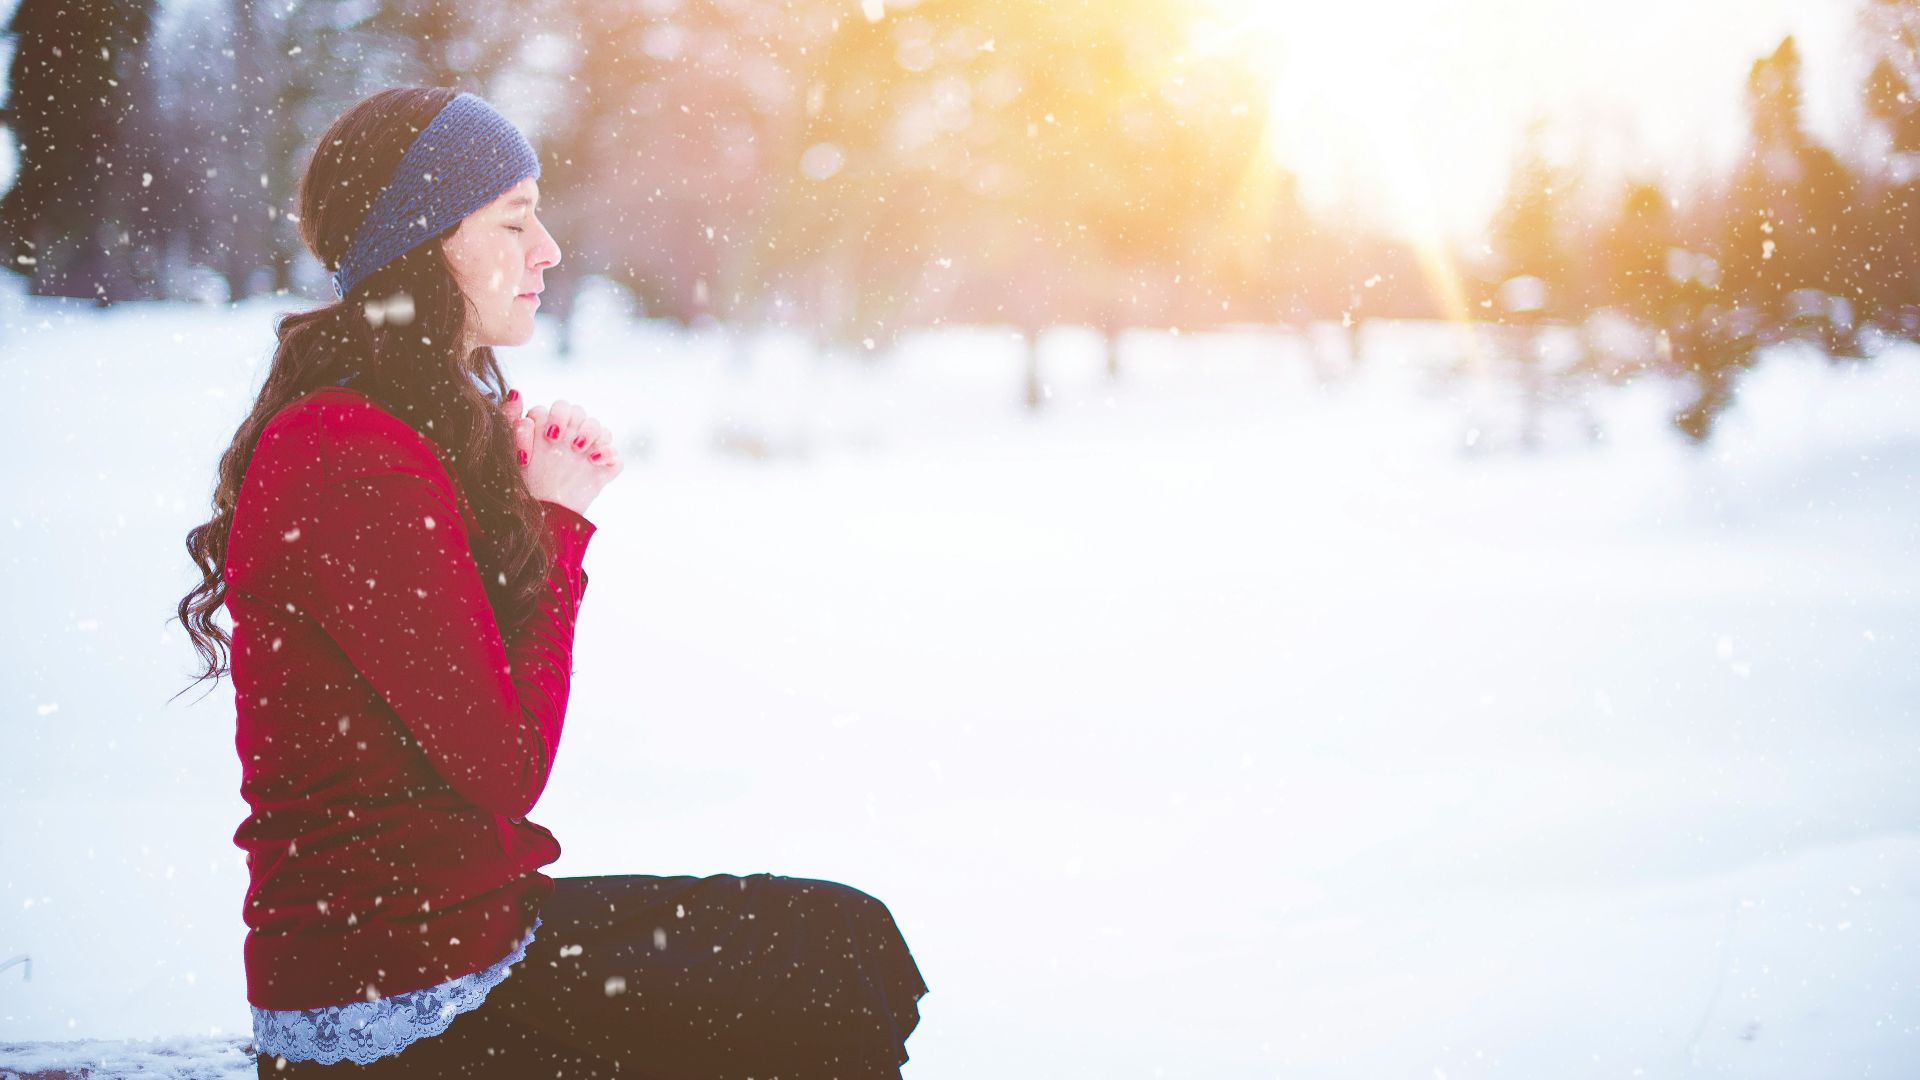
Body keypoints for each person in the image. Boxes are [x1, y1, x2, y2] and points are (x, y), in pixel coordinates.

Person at [172, 87, 928, 1078]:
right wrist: (558, 525)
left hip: (471, 943)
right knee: (820, 991)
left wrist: (526, 515)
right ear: (422, 241)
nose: (549, 251)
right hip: (400, 1009)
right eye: (516, 220)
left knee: (852, 943)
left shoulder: (392, 432)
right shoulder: (346, 453)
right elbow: (504, 763)